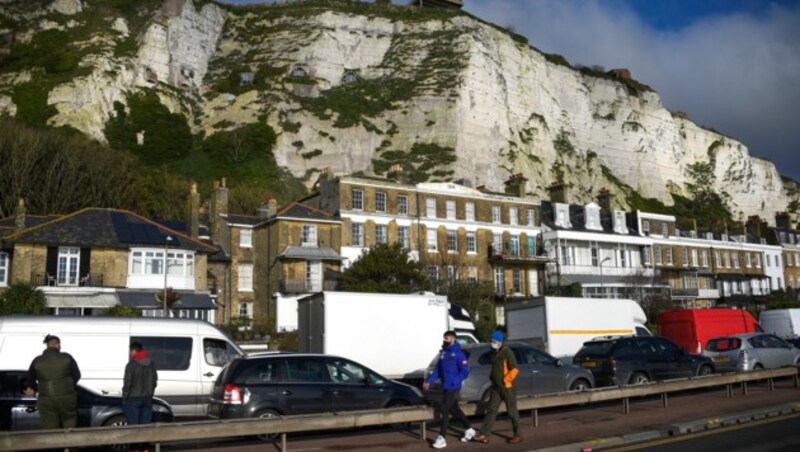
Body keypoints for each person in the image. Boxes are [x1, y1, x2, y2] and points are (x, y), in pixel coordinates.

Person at [423, 330, 475, 449]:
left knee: (445, 409)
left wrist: (455, 381)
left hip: (453, 386)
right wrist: (429, 381)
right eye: (444, 338)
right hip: (445, 385)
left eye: (446, 338)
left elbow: (465, 371)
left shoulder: (459, 353)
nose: (444, 340)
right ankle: (469, 429)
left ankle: (442, 438)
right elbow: (438, 370)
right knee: (454, 409)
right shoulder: (443, 353)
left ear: (452, 339)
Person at [473, 331, 523, 444]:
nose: (492, 343)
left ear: (499, 341)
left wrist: (506, 380)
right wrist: (491, 377)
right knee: (491, 410)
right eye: (491, 341)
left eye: (493, 341)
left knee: (512, 411)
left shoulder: (507, 352)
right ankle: (484, 434)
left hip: (507, 387)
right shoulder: (493, 352)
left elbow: (515, 369)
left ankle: (518, 434)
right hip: (495, 387)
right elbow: (494, 367)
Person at [24, 334, 81, 429]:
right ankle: (69, 442)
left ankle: (52, 442)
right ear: (57, 344)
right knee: (69, 421)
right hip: (67, 399)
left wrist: (33, 389)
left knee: (49, 425)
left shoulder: (37, 361)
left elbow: (30, 379)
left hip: (46, 399)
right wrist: (67, 386)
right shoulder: (67, 357)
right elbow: (77, 375)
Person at [122, 341, 158, 424]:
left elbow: (127, 383)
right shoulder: (152, 364)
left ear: (134, 351)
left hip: (133, 399)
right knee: (145, 426)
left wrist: (124, 398)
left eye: (130, 351)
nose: (130, 353)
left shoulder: (131, 365)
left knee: (133, 425)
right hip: (147, 398)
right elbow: (154, 382)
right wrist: (150, 394)